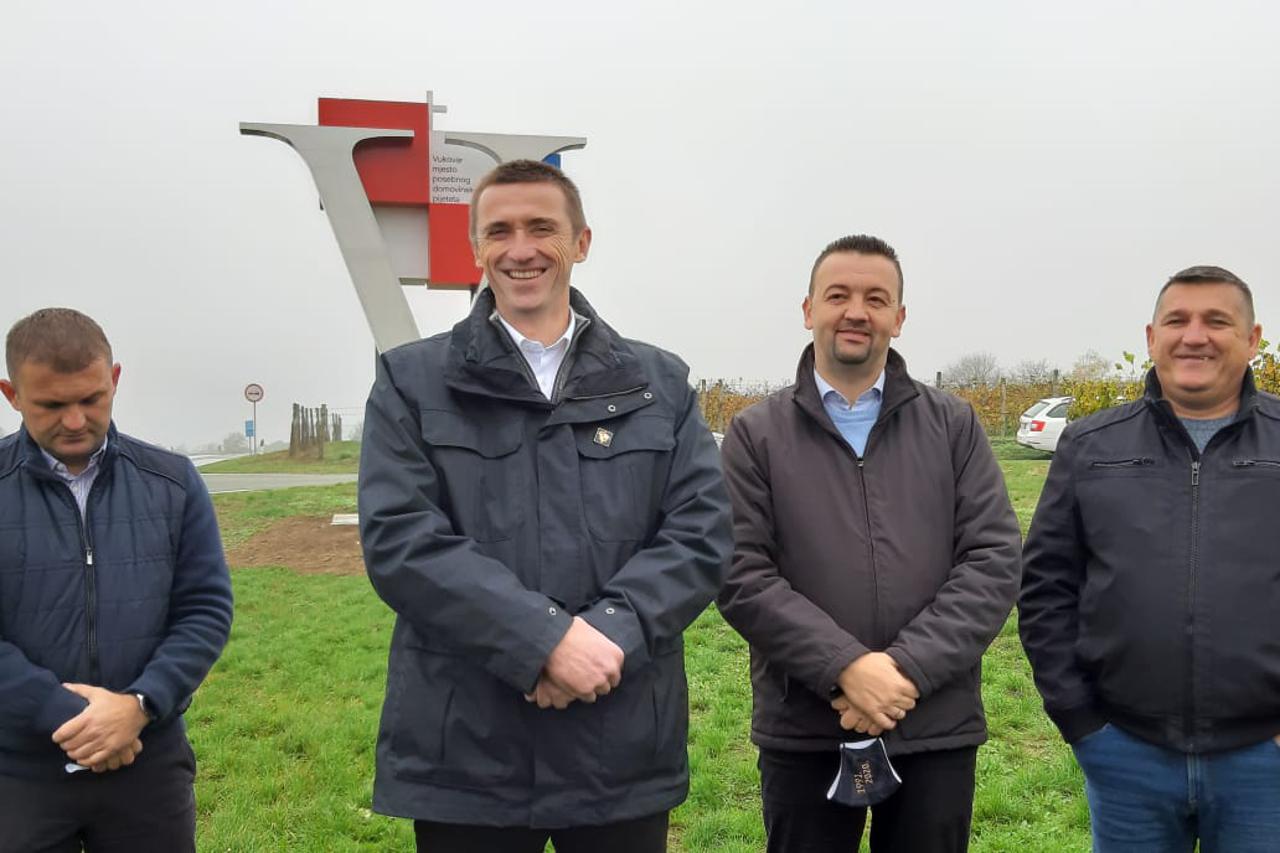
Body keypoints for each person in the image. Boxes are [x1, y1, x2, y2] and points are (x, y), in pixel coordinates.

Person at [358, 159, 731, 853]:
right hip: (465, 756)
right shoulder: (410, 382)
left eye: (541, 227)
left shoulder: (659, 383)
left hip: (618, 747)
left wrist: (609, 633)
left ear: (581, 242)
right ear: (475, 248)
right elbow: (401, 541)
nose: (520, 248)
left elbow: (699, 534)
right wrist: (545, 642)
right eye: (499, 230)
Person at [717, 234, 1021, 853]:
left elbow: (992, 559)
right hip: (806, 725)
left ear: (899, 319)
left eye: (876, 298)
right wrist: (845, 670)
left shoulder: (954, 425)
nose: (857, 311)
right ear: (809, 311)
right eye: (839, 295)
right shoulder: (755, 435)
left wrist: (904, 670)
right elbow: (740, 571)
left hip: (932, 723)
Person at [1019, 265, 1280, 853]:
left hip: (1265, 761)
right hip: (1127, 753)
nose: (1195, 336)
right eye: (1177, 320)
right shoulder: (1090, 446)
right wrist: (1082, 724)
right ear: (1150, 337)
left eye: (1218, 321)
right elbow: (1046, 589)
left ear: (1253, 338)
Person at [0, 308, 234, 852]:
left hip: (145, 761)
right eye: (53, 405)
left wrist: (140, 705)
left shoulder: (172, 483)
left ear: (115, 379)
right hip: (17, 770)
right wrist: (70, 717)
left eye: (92, 399)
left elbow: (205, 608)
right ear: (11, 394)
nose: (76, 420)